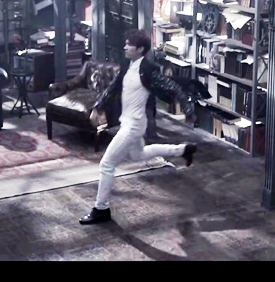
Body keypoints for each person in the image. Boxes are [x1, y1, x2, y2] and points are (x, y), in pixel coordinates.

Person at [79, 29, 199, 225]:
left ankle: (101, 209)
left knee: (106, 164)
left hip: (134, 125)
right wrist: (97, 107)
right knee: (138, 155)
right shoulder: (127, 66)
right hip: (128, 121)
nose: (125, 47)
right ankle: (182, 150)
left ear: (140, 49)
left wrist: (187, 109)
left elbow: (173, 87)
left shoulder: (149, 70)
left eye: (129, 44)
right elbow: (113, 88)